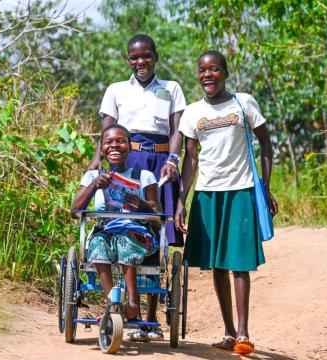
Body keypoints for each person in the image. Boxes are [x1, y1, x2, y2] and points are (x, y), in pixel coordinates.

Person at [175, 50, 278, 355]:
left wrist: (266, 187)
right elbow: (190, 160)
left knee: (239, 263)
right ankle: (229, 332)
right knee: (216, 266)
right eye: (203, 70)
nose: (208, 75)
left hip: (241, 189)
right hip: (207, 194)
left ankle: (244, 333)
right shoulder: (192, 112)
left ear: (225, 73)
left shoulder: (243, 103)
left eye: (215, 69)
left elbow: (266, 143)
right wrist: (182, 199)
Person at [89, 33, 186, 340]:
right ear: (128, 60)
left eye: (146, 56)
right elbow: (107, 131)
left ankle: (151, 320)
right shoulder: (116, 90)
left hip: (159, 165)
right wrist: (97, 160)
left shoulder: (171, 89)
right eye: (134, 58)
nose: (140, 62)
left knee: (157, 232)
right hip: (125, 160)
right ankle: (129, 312)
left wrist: (173, 159)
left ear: (155, 56)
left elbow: (177, 129)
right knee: (121, 227)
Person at [71, 124, 162, 328]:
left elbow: (158, 220)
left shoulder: (144, 176)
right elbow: (75, 212)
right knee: (99, 243)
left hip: (137, 234)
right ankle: (113, 303)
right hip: (105, 231)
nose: (115, 146)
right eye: (108, 142)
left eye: (120, 141)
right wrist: (95, 186)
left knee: (123, 240)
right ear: (101, 149)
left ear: (129, 146)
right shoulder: (92, 177)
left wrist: (141, 205)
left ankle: (132, 302)